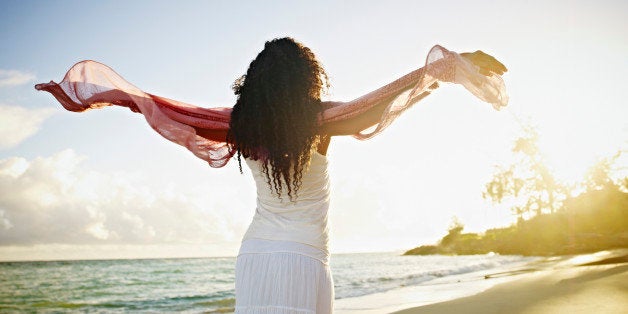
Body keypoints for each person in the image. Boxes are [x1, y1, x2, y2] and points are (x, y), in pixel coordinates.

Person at [35, 37, 507, 314]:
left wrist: (87, 94)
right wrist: (447, 67)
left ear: (256, 79)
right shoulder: (318, 119)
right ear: (308, 79)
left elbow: (158, 105)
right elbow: (370, 106)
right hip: (303, 259)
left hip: (255, 257)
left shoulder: (239, 122)